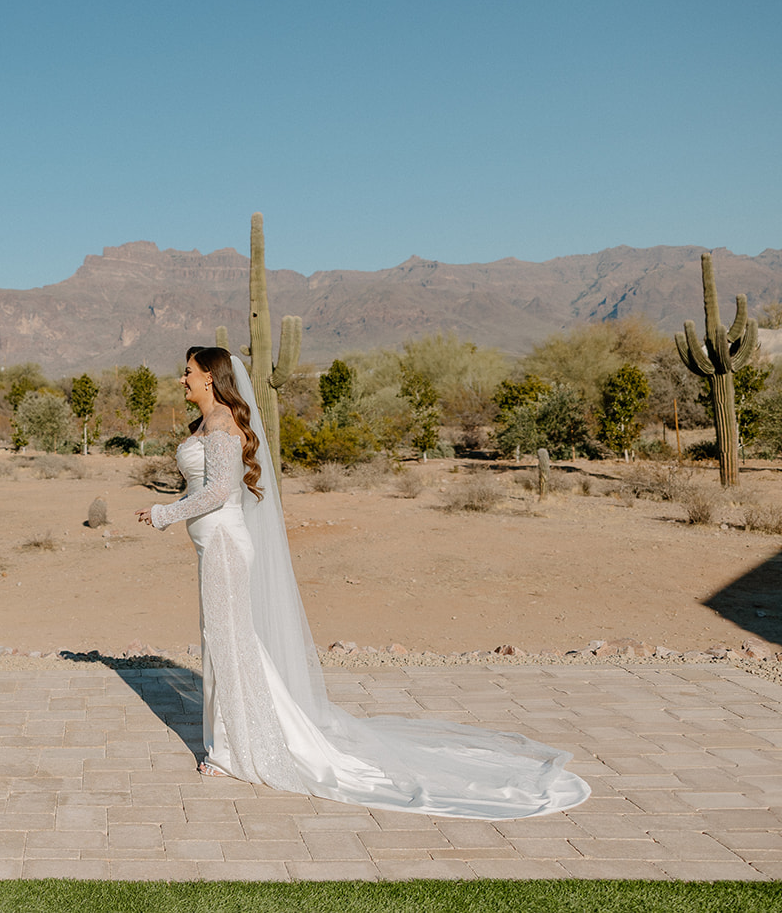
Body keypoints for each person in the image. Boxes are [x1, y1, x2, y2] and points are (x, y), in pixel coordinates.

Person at [137, 346, 590, 819]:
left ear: (210, 376)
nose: (181, 379)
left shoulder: (224, 426)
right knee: (223, 642)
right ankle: (231, 740)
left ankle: (235, 749)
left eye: (187, 372)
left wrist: (163, 513)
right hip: (214, 546)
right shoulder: (206, 426)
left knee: (231, 643)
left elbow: (216, 493)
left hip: (226, 548)